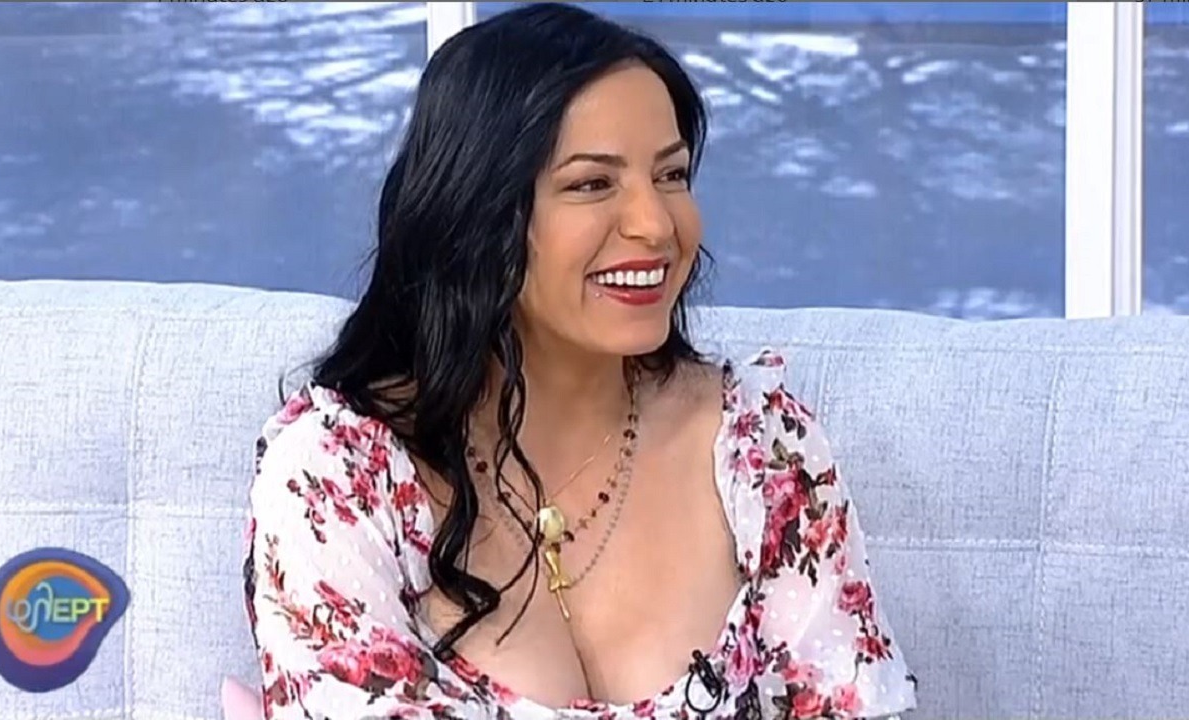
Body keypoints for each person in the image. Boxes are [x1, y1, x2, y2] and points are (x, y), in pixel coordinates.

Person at [242, 3, 918, 718]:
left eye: (672, 175)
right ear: (474, 213)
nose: (656, 225)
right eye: (593, 183)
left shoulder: (763, 448)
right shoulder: (336, 478)